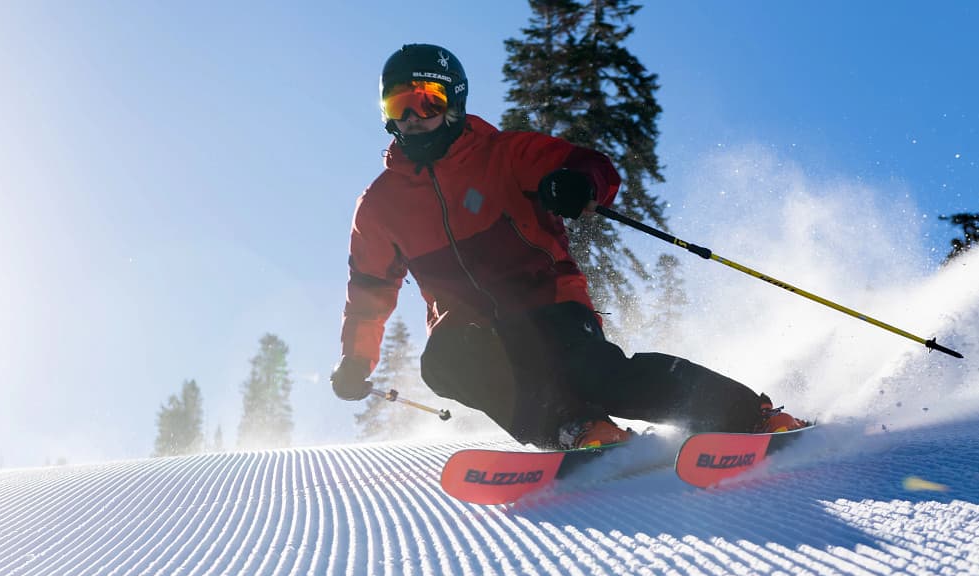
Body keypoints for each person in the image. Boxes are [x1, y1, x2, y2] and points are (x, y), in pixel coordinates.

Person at [331, 43, 807, 450]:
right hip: (473, 329)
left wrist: (578, 184)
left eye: (427, 103)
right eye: (399, 107)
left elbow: (591, 165)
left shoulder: (505, 154)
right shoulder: (379, 207)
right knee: (444, 361)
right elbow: (369, 292)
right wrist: (356, 361)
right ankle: (572, 428)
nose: (413, 118)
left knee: (593, 374)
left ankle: (748, 416)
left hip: (549, 305)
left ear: (452, 103)